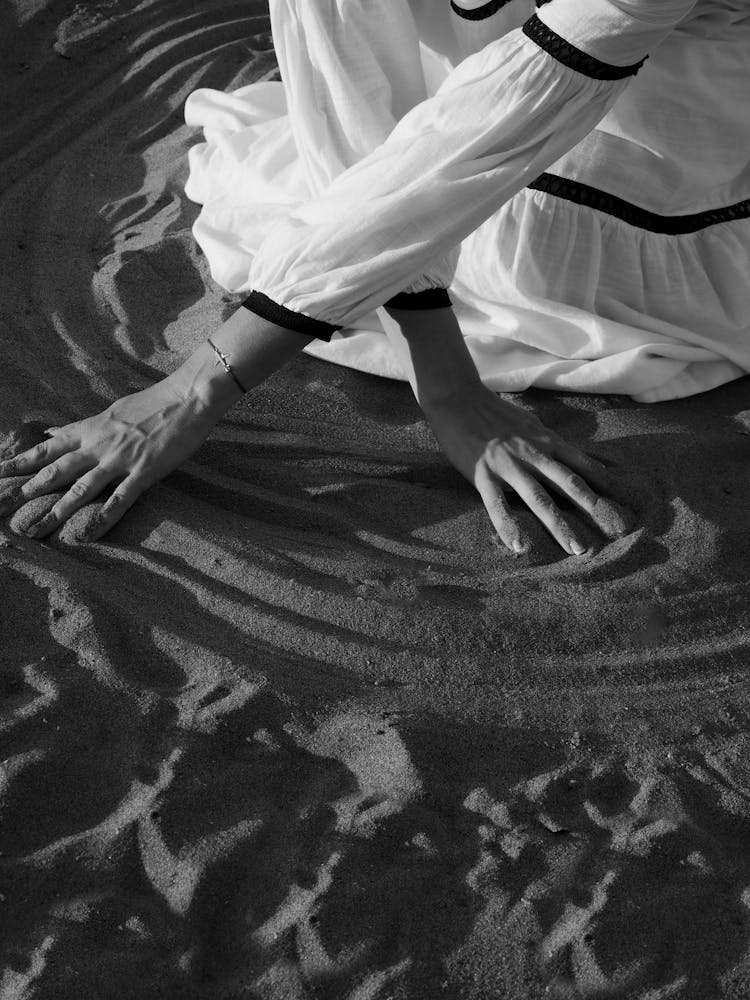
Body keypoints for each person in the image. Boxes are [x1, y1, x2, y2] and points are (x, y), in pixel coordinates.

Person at [1, 0, 747, 555]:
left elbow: (497, 124)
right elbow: (352, 101)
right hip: (416, 170)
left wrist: (196, 386)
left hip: (650, 219)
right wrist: (445, 378)